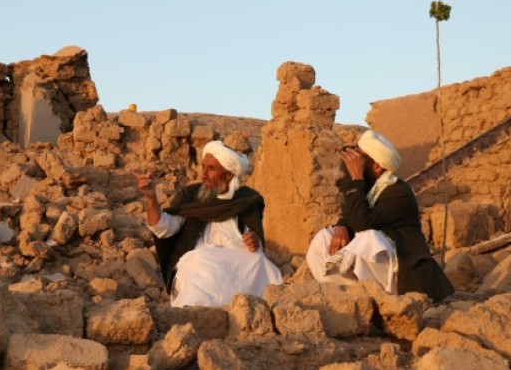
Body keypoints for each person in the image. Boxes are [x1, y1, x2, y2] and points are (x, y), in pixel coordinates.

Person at [306, 129, 454, 302]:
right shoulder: (370, 187)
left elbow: (363, 223)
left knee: (368, 240)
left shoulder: (399, 192)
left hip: (404, 275)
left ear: (377, 166)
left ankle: (380, 299)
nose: (354, 163)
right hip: (377, 270)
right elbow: (352, 212)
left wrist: (356, 177)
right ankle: (350, 296)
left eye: (360, 159)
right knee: (323, 238)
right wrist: (342, 226)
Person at [135, 140, 282, 307]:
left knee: (260, 262)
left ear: (228, 175)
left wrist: (254, 241)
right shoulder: (191, 196)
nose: (203, 174)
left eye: (211, 168)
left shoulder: (245, 200)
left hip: (234, 259)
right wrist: (150, 198)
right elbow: (162, 228)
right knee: (200, 260)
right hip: (202, 260)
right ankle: (197, 310)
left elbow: (253, 238)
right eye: (203, 166)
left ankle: (255, 308)